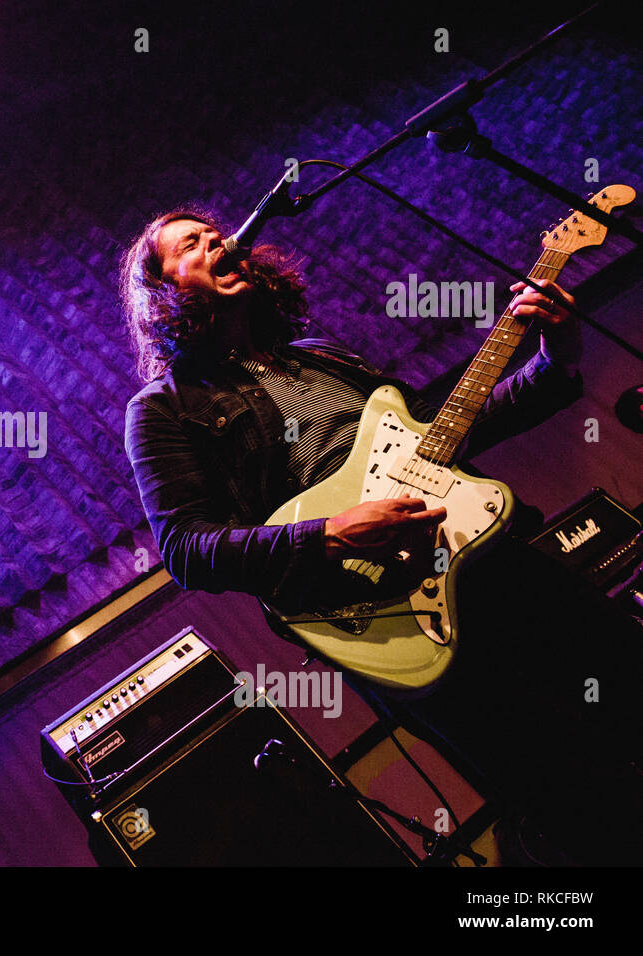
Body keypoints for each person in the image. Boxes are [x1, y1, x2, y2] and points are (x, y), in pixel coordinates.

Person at [120, 202, 643, 865]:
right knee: (568, 789)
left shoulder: (319, 355)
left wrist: (554, 358)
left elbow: (439, 434)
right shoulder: (162, 410)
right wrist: (331, 533)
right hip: (391, 611)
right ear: (164, 294)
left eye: (215, 231)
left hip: (494, 560)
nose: (218, 240)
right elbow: (187, 548)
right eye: (192, 245)